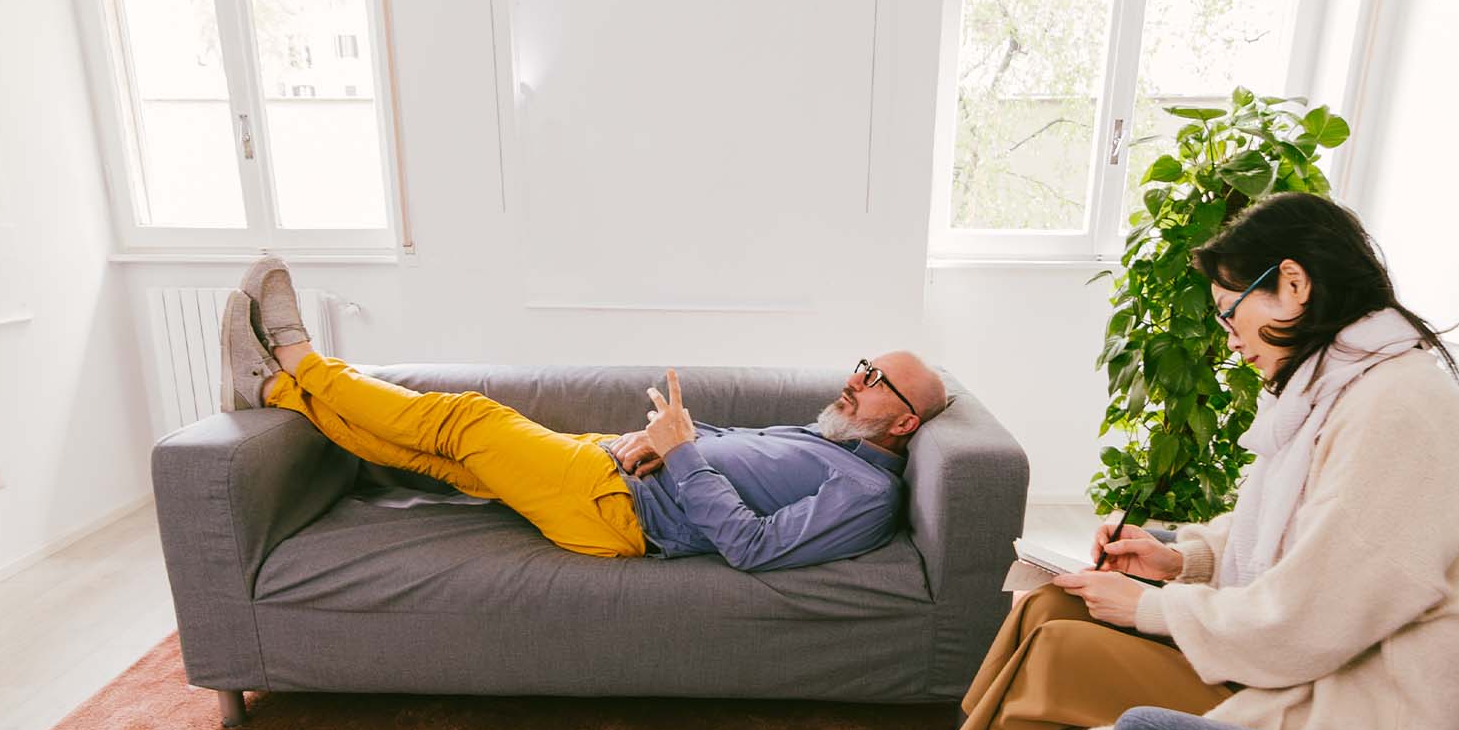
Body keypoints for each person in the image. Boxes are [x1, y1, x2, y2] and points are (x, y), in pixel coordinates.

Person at [855, 191, 1459, 730]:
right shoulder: (1345, 387)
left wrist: (1147, 608)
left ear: (1292, 284)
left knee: (1064, 653)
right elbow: (1302, 535)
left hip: (1366, 721)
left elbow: (1307, 622)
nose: (1229, 335)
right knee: (1051, 608)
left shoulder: (1396, 411)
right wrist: (1178, 558)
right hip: (1323, 666)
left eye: (1231, 310)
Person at [218, 257, 950, 573]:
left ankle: (299, 360)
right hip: (620, 469)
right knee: (438, 459)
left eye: (878, 380)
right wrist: (660, 442)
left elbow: (754, 546)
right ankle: (275, 394)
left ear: (908, 423)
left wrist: (682, 450)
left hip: (616, 512)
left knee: (469, 422)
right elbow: (731, 468)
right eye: (863, 364)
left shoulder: (867, 496)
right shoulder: (833, 438)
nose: (856, 379)